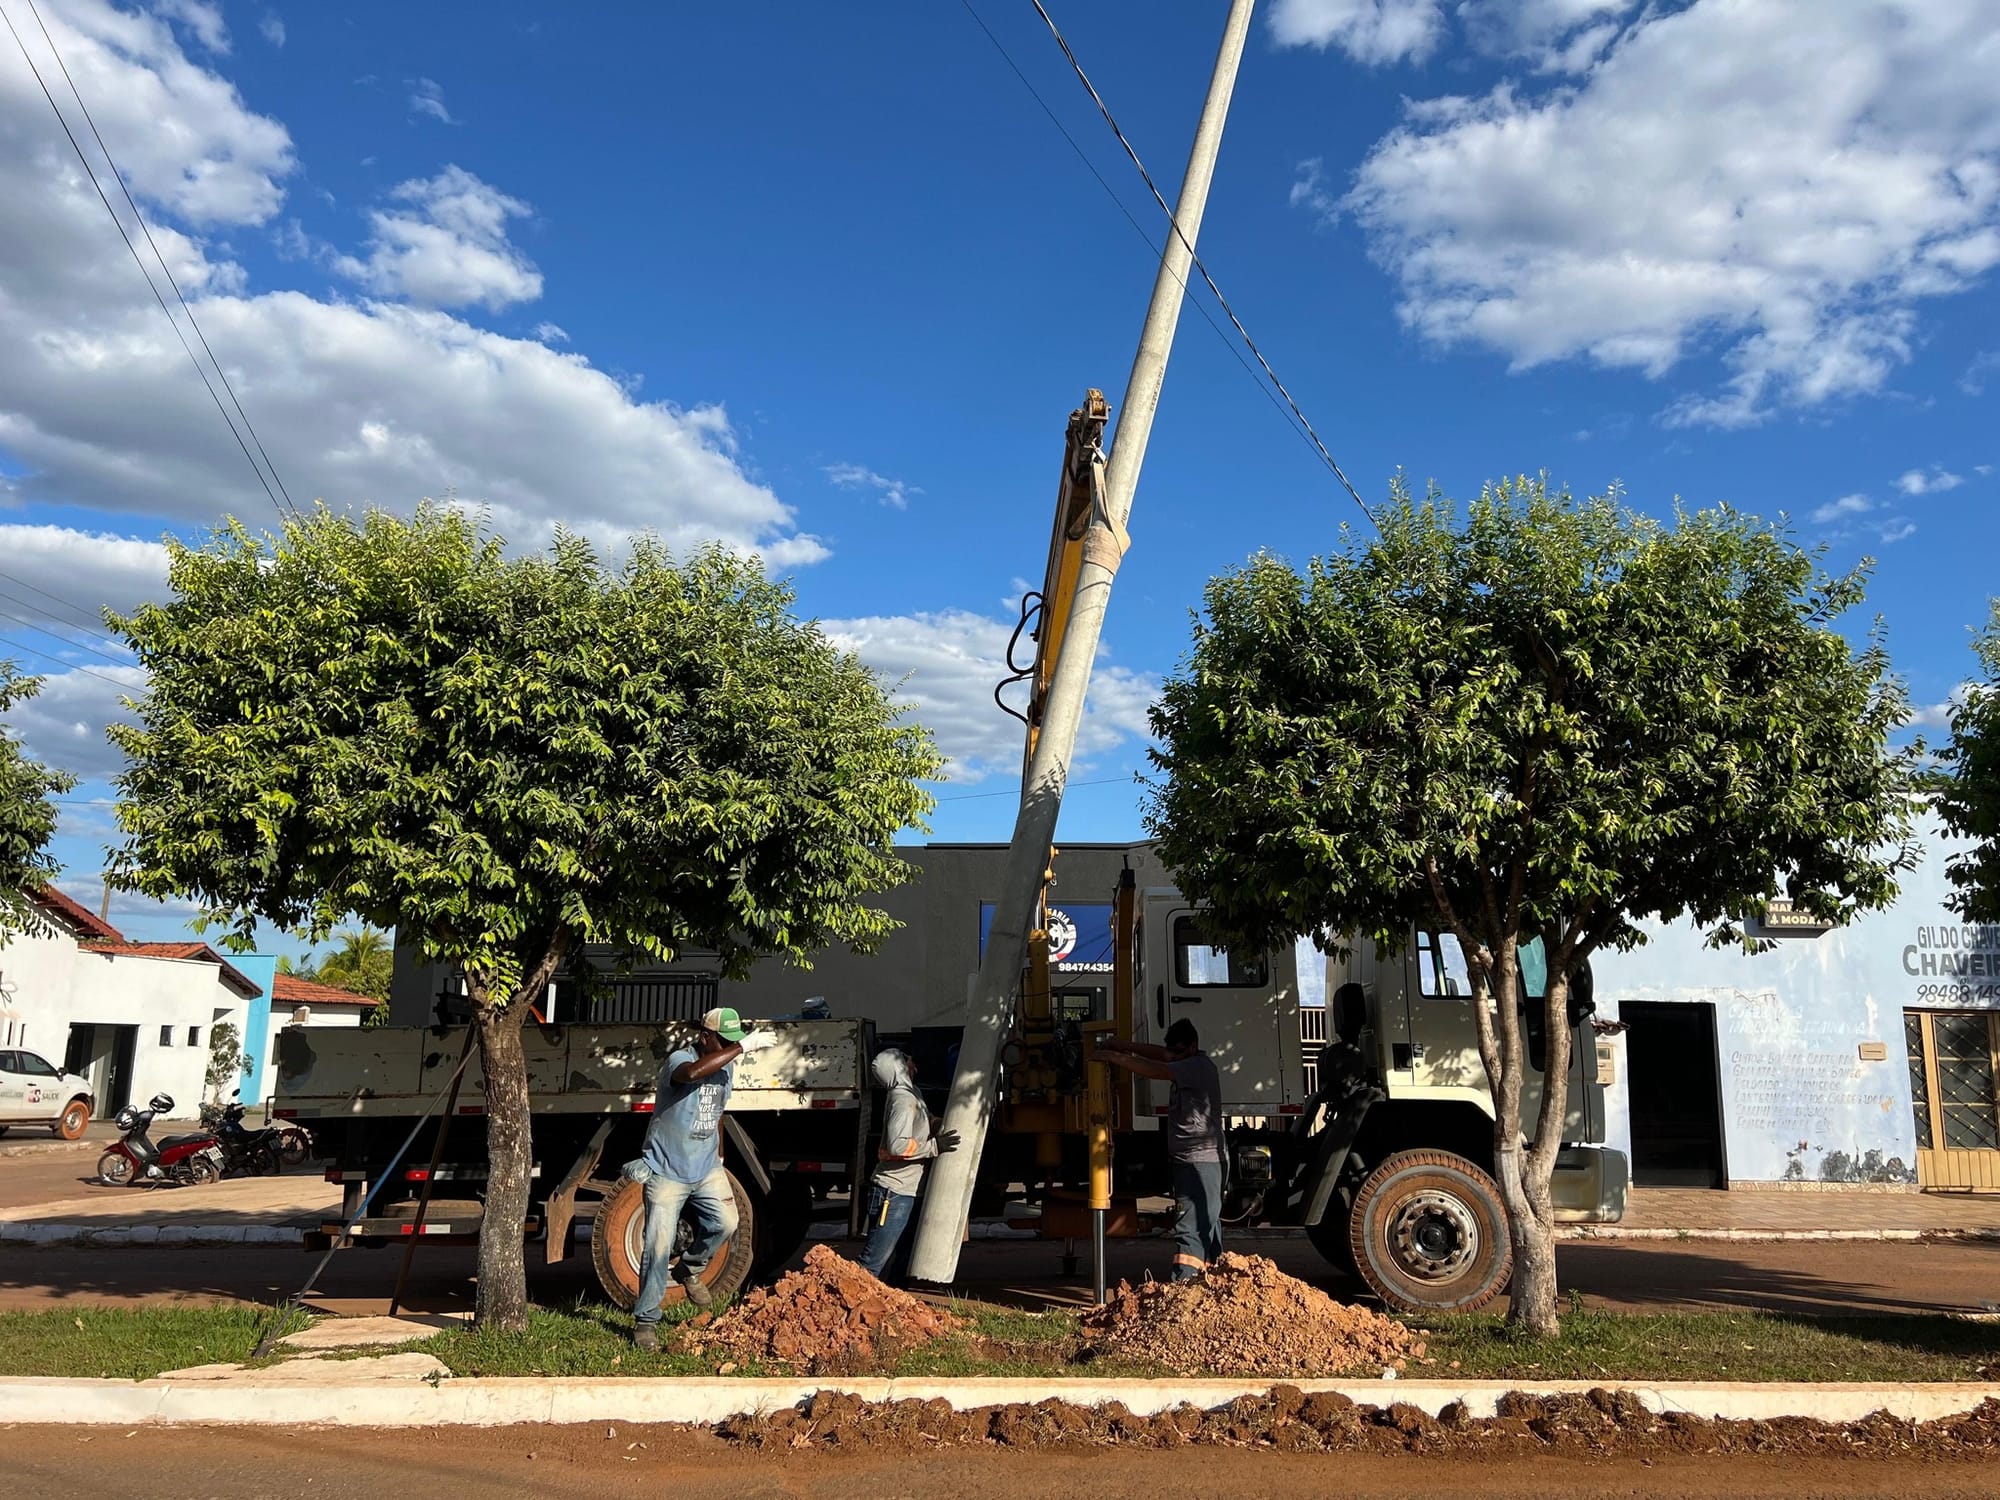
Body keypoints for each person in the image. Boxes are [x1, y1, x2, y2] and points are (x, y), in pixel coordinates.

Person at [630, 1005, 774, 1350]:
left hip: (707, 1167)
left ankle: (690, 1267)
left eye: (733, 1041)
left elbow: (718, 1113)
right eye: (723, 1040)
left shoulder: (725, 1070)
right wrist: (742, 1049)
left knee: (726, 1222)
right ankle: (645, 1322)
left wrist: (720, 1154)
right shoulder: (680, 1060)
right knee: (657, 1247)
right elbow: (692, 1075)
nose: (729, 1046)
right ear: (704, 1036)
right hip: (667, 1170)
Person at [1097, 1019, 1225, 1281]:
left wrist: (1112, 1056)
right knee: (1206, 1225)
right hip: (1190, 1161)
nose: (1174, 1057)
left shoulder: (1197, 1067)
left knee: (1190, 1227)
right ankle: (1214, 1284)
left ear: (1193, 1046)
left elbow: (1155, 1068)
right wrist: (1123, 1045)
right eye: (1172, 1052)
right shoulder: (1184, 1059)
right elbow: (1158, 1054)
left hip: (1200, 1163)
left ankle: (1184, 1286)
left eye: (1178, 1051)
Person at [858, 1048, 958, 1283]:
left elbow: (924, 1120)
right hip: (892, 1195)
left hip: (906, 1192)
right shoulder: (903, 1101)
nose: (912, 1061)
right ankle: (840, 1309)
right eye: (906, 1059)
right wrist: (935, 1147)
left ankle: (893, 1307)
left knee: (905, 1257)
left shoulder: (912, 1093)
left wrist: (938, 1123)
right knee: (872, 1263)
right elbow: (897, 1146)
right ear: (899, 1068)